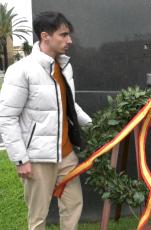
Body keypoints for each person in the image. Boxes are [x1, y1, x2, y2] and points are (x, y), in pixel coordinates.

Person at [0, 12, 92, 230]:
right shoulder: (21, 70)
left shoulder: (63, 67)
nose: (69, 40)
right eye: (64, 35)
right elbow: (7, 117)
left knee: (73, 205)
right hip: (38, 158)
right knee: (38, 216)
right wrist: (21, 159)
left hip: (67, 155)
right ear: (45, 36)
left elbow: (69, 104)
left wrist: (94, 125)